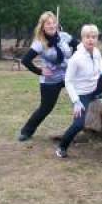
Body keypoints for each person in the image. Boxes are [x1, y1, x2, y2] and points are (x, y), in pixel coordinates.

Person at [18, 11, 79, 142]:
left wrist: (74, 59)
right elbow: (26, 60)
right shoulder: (39, 42)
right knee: (45, 108)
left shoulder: (64, 36)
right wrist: (40, 71)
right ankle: (26, 132)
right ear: (43, 26)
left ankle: (80, 128)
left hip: (69, 76)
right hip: (51, 79)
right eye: (48, 23)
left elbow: (78, 46)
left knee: (84, 98)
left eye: (54, 23)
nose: (52, 26)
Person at [55, 24, 102, 158]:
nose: (91, 40)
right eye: (87, 37)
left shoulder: (96, 52)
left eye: (94, 37)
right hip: (81, 95)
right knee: (78, 124)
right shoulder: (76, 58)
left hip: (95, 88)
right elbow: (68, 81)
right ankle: (62, 147)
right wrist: (76, 101)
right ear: (82, 38)